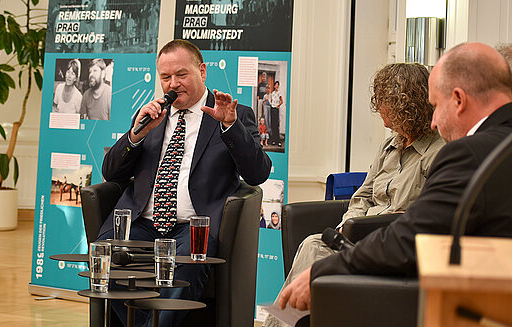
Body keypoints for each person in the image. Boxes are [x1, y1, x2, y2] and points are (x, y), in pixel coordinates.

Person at [279, 42, 512, 314]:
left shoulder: (468, 153)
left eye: (436, 106)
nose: (434, 121)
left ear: (458, 100)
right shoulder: (498, 146)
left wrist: (323, 270)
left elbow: (412, 238)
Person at [100, 39, 272, 327]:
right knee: (104, 259)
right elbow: (111, 173)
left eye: (181, 75)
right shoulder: (151, 115)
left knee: (186, 270)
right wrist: (136, 134)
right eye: (165, 77)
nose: (172, 84)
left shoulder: (234, 115)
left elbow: (258, 174)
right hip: (142, 222)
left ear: (202, 71)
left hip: (195, 228)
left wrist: (229, 127)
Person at [264, 62, 445, 327]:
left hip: (388, 243)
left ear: (405, 105)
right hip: (357, 236)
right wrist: (347, 226)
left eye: (384, 102)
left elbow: (421, 215)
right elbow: (363, 196)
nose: (379, 109)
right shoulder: (389, 145)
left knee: (313, 246)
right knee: (314, 245)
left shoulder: (437, 152)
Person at [269, 81, 283, 146]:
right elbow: (270, 100)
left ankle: (278, 141)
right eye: (276, 85)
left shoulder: (279, 93)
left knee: (276, 125)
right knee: (273, 125)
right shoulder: (272, 93)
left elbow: (282, 101)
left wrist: (278, 106)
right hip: (272, 109)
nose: (277, 86)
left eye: (278, 85)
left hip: (276, 109)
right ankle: (273, 140)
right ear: (274, 86)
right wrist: (272, 105)